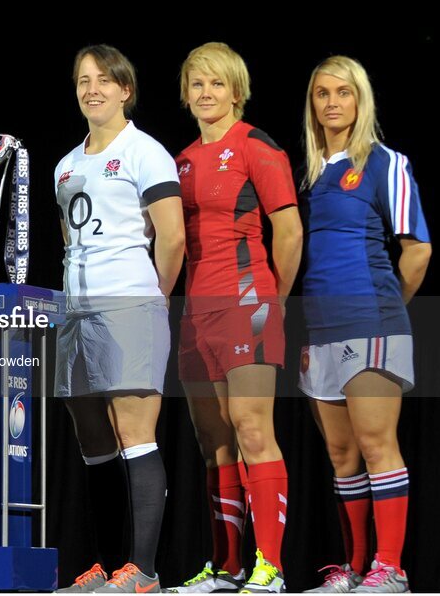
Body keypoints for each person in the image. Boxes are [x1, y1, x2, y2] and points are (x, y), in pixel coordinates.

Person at [168, 42, 302, 594]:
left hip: (248, 305)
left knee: (252, 429)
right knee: (214, 439)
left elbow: (289, 232)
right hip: (195, 314)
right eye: (197, 84)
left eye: (217, 84)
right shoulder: (178, 160)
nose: (206, 93)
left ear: (237, 91)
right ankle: (225, 567)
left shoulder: (257, 147)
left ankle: (268, 565)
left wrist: (275, 301)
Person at [53, 44, 186, 594]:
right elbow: (68, 239)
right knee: (93, 442)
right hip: (74, 311)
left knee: (136, 435)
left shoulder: (145, 151)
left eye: (104, 80)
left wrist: (154, 296)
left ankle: (145, 571)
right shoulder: (65, 164)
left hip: (130, 302)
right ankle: (105, 567)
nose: (93, 89)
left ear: (125, 90)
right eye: (84, 80)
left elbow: (173, 236)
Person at [299, 56, 430, 594]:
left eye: (344, 92)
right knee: (342, 454)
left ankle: (390, 569)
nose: (332, 102)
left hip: (371, 319)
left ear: (361, 99)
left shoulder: (384, 163)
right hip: (320, 329)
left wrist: (385, 308)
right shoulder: (308, 174)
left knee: (377, 445)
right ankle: (354, 570)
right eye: (322, 93)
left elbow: (417, 250)